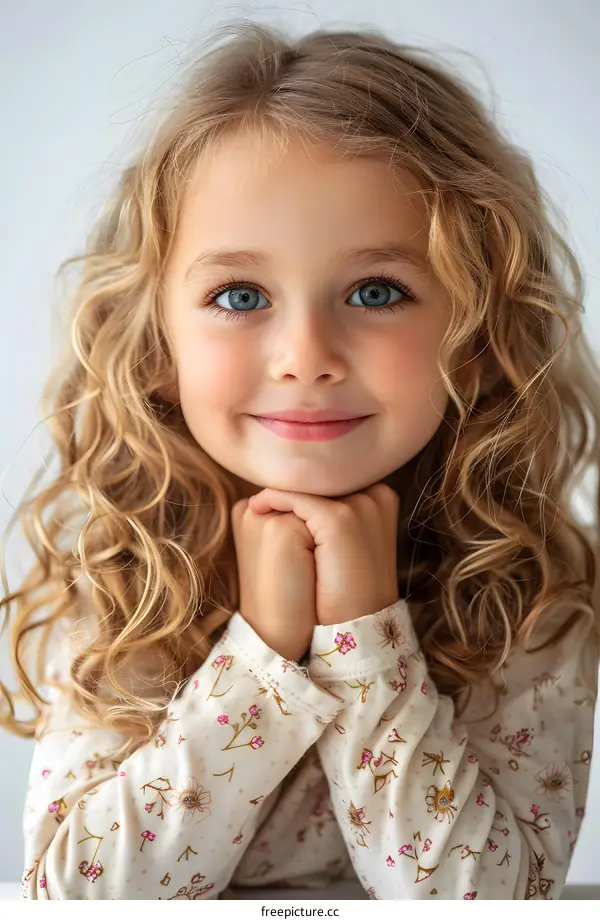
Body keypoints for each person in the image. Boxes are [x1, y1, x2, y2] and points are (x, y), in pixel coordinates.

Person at [1, 20, 599, 902]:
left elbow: (487, 902)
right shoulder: (121, 572)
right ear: (155, 347)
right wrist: (263, 653)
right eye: (239, 296)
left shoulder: (535, 588)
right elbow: (76, 898)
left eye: (376, 291)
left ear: (476, 340)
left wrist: (364, 631)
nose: (305, 355)